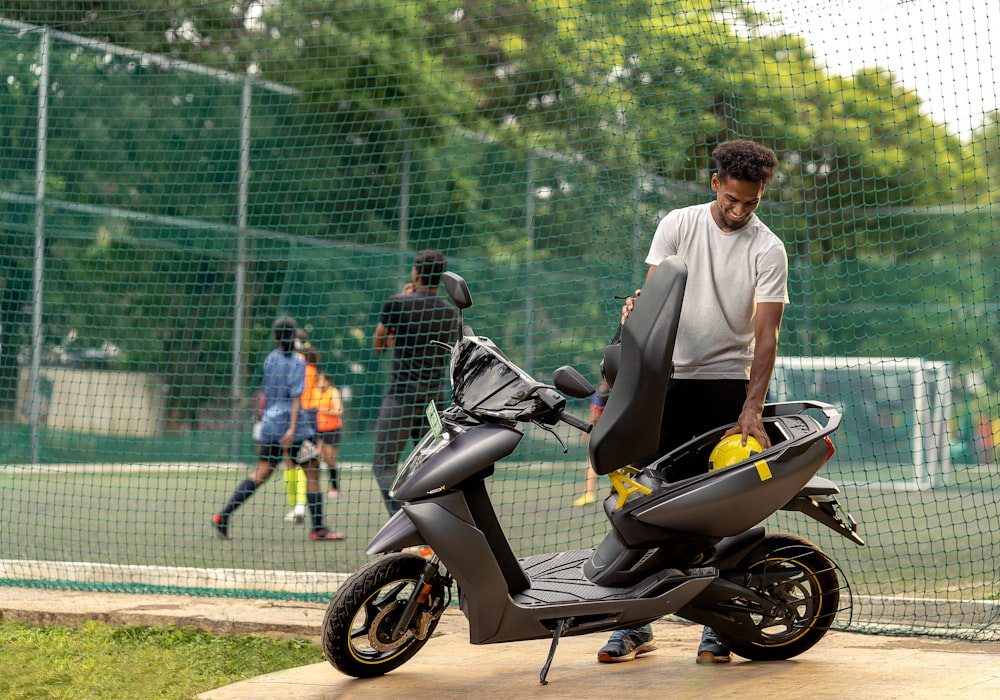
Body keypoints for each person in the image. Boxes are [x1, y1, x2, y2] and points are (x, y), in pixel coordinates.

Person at [597, 140, 787, 665]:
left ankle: (720, 626)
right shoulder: (678, 225)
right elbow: (652, 305)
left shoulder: (767, 248)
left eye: (750, 203)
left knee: (728, 511)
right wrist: (633, 315)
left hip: (727, 387)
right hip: (667, 384)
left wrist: (751, 409)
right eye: (731, 199)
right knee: (645, 503)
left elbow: (766, 336)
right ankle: (636, 623)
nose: (739, 211)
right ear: (714, 184)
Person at [212, 316, 344, 541]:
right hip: (295, 429)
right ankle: (319, 529)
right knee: (312, 472)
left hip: (269, 425)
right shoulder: (298, 362)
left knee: (261, 473)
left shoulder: (269, 359)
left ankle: (223, 515)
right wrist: (292, 430)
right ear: (294, 336)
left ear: (274, 336)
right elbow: (295, 399)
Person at [371, 250, 461, 515]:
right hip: (433, 402)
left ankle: (407, 524)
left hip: (401, 396)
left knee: (384, 465)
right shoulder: (450, 312)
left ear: (415, 273)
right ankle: (435, 526)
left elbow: (379, 345)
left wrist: (405, 300)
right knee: (429, 468)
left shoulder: (397, 303)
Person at [283, 331, 318, 524]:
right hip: (309, 414)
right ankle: (299, 507)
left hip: (298, 415)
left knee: (291, 462)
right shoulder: (310, 364)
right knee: (308, 465)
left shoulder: (295, 362)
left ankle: (297, 507)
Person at [572, 378, 610, 506]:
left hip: (603, 432)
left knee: (591, 463)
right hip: (620, 432)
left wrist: (587, 431)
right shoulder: (621, 390)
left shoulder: (602, 392)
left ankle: (589, 494)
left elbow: (595, 414)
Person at [312, 369, 344, 498]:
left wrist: (322, 409)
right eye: (318, 380)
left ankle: (335, 488)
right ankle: (315, 487)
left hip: (332, 429)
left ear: (328, 381)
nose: (319, 382)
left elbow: (339, 411)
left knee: (330, 461)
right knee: (316, 458)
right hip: (317, 430)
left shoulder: (333, 392)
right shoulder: (314, 392)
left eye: (321, 380)